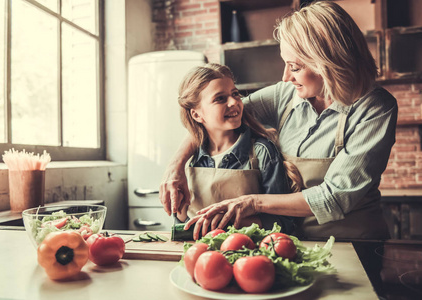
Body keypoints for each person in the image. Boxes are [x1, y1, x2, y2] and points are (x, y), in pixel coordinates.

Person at [160, 1, 398, 240]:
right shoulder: (286, 94)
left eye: (294, 67)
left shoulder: (375, 108)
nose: (285, 77)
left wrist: (253, 203)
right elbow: (214, 120)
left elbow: (333, 197)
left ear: (327, 63)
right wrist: (176, 166)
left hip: (353, 243)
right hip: (288, 242)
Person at [172, 63, 302, 239]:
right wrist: (179, 212)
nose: (234, 102)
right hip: (202, 257)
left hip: (249, 255)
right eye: (220, 98)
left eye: (235, 94)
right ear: (197, 115)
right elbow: (181, 226)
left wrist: (230, 222)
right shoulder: (189, 161)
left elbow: (283, 222)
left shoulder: (262, 152)